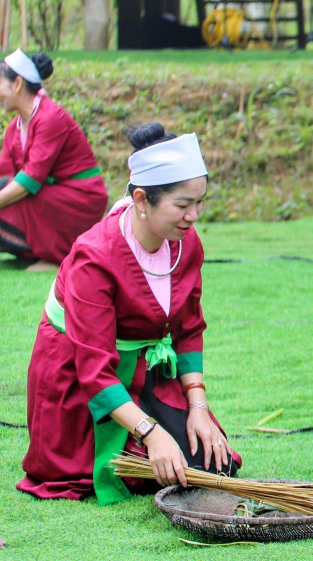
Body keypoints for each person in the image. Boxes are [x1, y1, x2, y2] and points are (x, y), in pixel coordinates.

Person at [17, 124, 239, 504]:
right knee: (133, 471)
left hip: (142, 371)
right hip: (77, 377)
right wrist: (151, 434)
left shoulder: (186, 244)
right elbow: (93, 369)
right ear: (141, 199)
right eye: (182, 205)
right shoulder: (94, 257)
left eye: (199, 202)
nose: (194, 216)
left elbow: (188, 328)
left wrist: (198, 407)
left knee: (214, 465)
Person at [0, 50, 108, 271]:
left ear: (17, 84)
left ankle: (57, 254)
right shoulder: (14, 127)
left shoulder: (50, 117)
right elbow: (5, 172)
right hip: (47, 196)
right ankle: (39, 252)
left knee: (11, 194)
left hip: (78, 199)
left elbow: (30, 180)